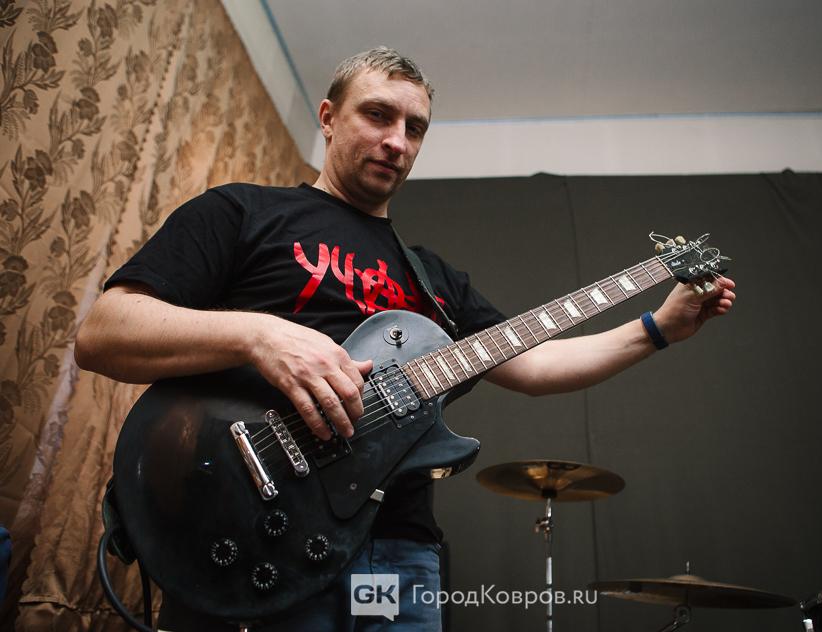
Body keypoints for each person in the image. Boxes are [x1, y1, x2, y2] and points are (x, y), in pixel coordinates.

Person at [75, 47, 736, 631]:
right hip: (254, 522)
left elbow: (534, 365)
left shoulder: (435, 280)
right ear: (328, 117)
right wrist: (259, 336)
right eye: (377, 115)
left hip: (397, 552)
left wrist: (657, 328)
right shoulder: (244, 211)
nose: (397, 140)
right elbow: (105, 331)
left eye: (414, 128)